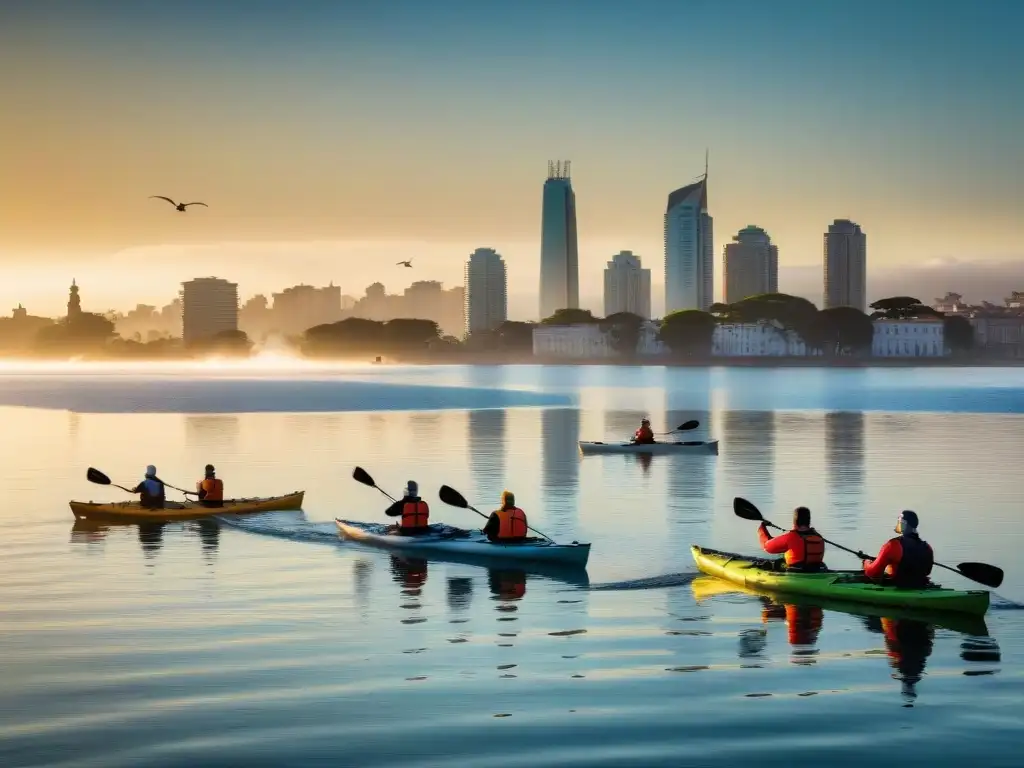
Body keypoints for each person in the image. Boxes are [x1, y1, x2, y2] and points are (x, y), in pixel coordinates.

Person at [861, 510, 934, 588]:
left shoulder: (893, 545)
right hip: (921, 587)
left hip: (898, 587)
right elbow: (927, 572)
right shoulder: (927, 548)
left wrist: (866, 563)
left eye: (899, 522)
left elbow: (873, 573)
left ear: (903, 523)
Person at [758, 506, 826, 570]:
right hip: (818, 570)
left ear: (794, 521)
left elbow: (766, 547)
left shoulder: (790, 537)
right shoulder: (819, 537)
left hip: (796, 572)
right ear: (809, 521)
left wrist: (762, 527)